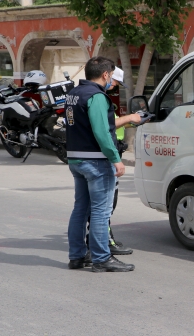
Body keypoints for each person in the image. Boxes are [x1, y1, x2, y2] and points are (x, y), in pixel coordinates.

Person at [65, 56, 134, 272]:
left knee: (80, 210)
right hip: (95, 161)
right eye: (112, 75)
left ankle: (77, 257)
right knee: (100, 212)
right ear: (105, 74)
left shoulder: (73, 94)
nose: (111, 78)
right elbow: (101, 131)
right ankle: (102, 258)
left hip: (76, 159)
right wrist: (116, 159)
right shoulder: (96, 96)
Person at [84, 67, 141, 258]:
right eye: (115, 81)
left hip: (100, 155)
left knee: (98, 206)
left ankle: (95, 244)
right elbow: (104, 127)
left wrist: (131, 122)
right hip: (104, 156)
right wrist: (130, 118)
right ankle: (103, 247)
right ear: (106, 75)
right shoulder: (98, 97)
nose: (115, 86)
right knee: (104, 206)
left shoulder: (96, 96)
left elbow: (111, 122)